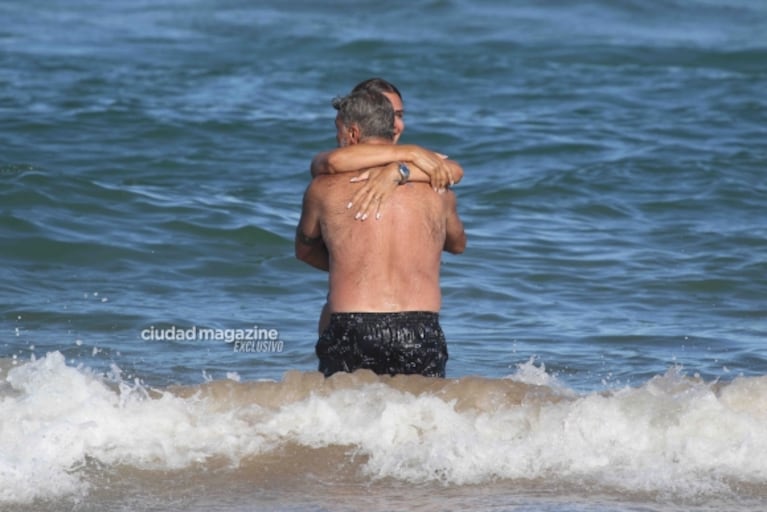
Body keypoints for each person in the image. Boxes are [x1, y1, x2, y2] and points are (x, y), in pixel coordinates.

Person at [295, 90, 466, 378]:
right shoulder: (439, 192)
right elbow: (458, 244)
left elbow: (304, 250)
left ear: (352, 133)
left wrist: (353, 264)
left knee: (346, 417)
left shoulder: (322, 189)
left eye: (338, 131)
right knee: (419, 418)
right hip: (419, 327)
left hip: (352, 325)